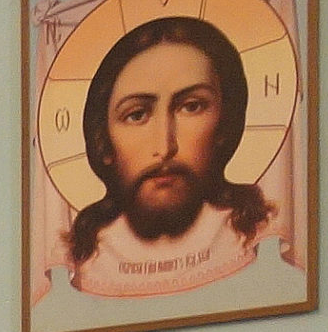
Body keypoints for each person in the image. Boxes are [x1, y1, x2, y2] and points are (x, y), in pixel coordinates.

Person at [64, 17, 279, 300]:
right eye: (137, 115)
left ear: (224, 125)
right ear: (103, 141)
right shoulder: (87, 257)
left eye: (191, 107)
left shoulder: (257, 233)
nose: (165, 147)